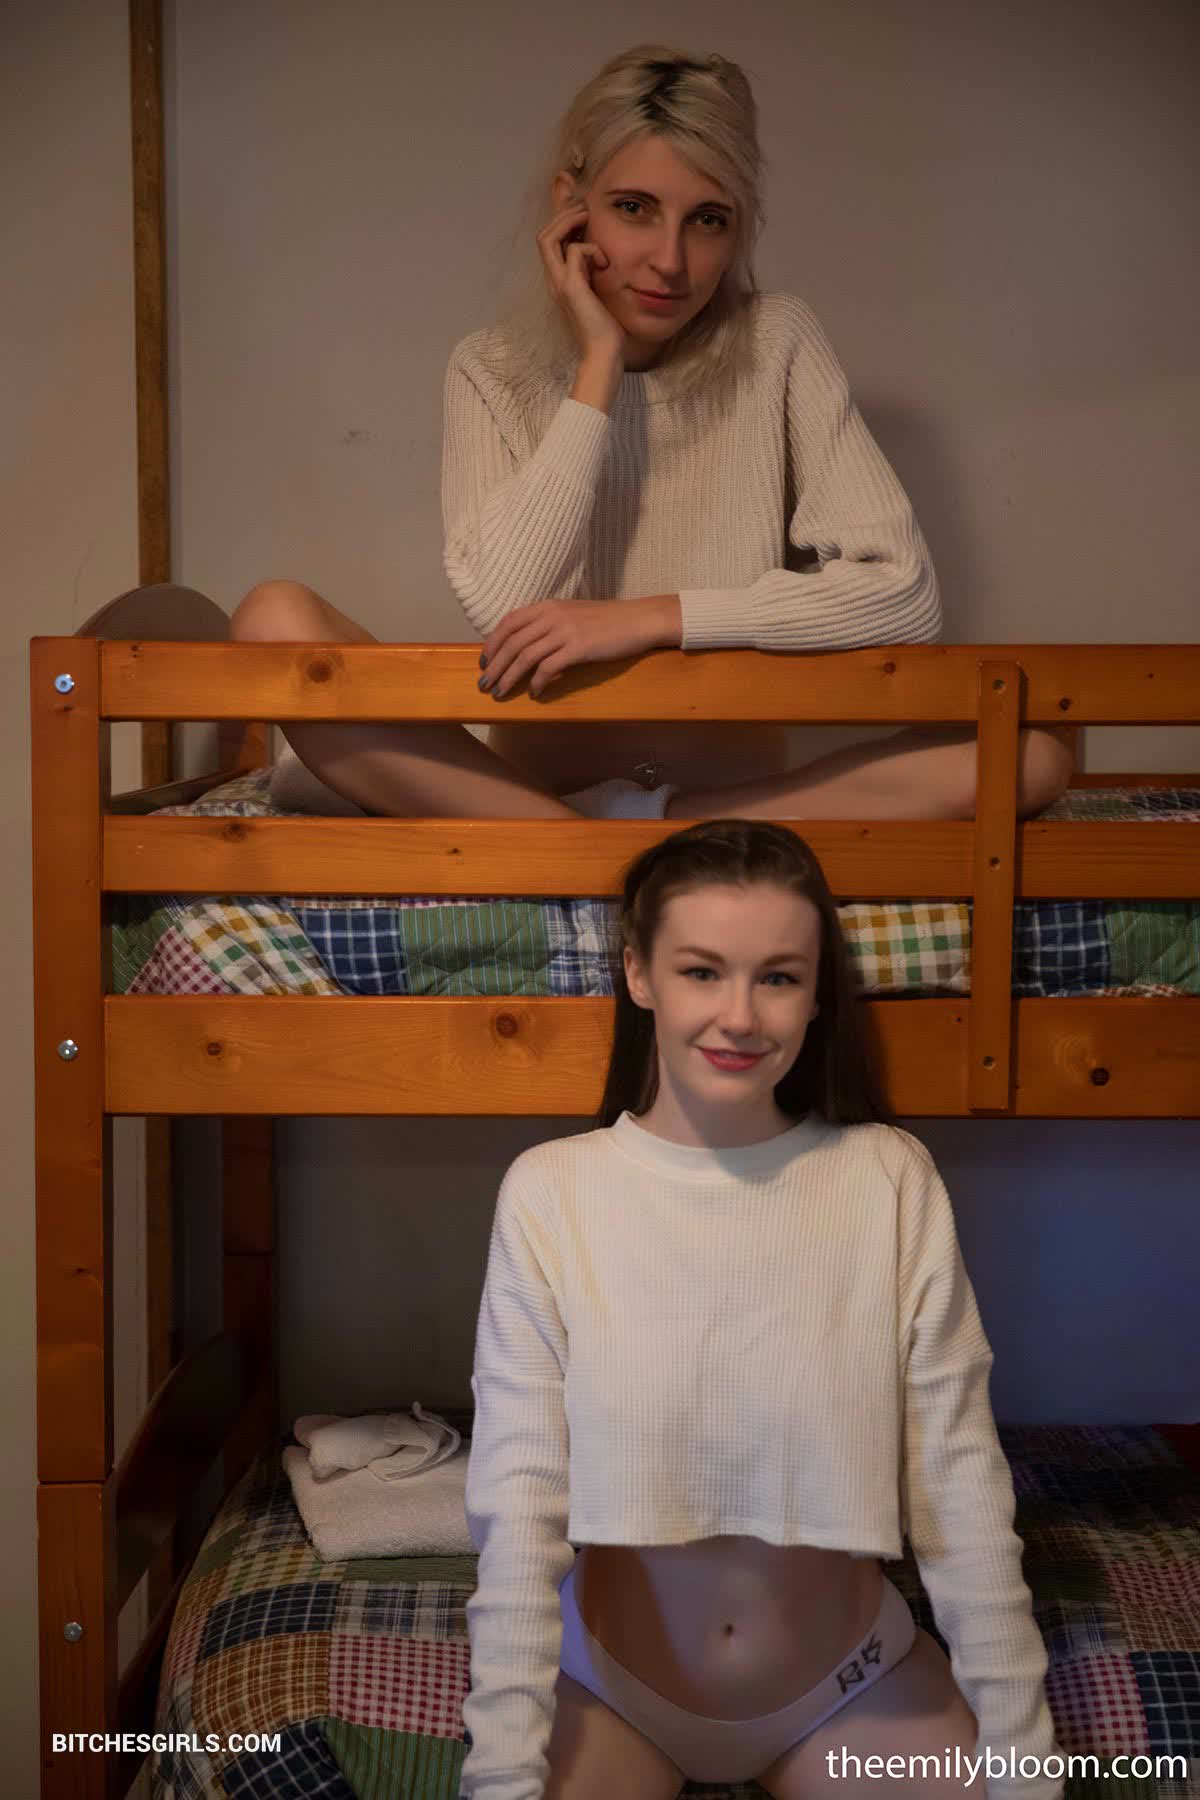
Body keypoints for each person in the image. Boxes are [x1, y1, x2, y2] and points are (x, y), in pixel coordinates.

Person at [229, 44, 1074, 826]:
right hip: (528, 798)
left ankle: (639, 841)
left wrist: (650, 619)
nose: (670, 261)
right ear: (571, 209)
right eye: (634, 209)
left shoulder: (778, 340)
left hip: (733, 806)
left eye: (707, 220)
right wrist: (597, 368)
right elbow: (501, 604)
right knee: (272, 617)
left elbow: (904, 596)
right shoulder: (489, 367)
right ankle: (575, 841)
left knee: (1034, 757)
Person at [459, 817, 1064, 1800]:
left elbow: (958, 1480)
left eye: (778, 977)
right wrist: (501, 1774)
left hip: (851, 1688)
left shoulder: (887, 1178)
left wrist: (1023, 1763)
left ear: (817, 994)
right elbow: (519, 1505)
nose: (739, 1016)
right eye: (702, 971)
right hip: (609, 1690)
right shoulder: (552, 1191)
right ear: (639, 974)